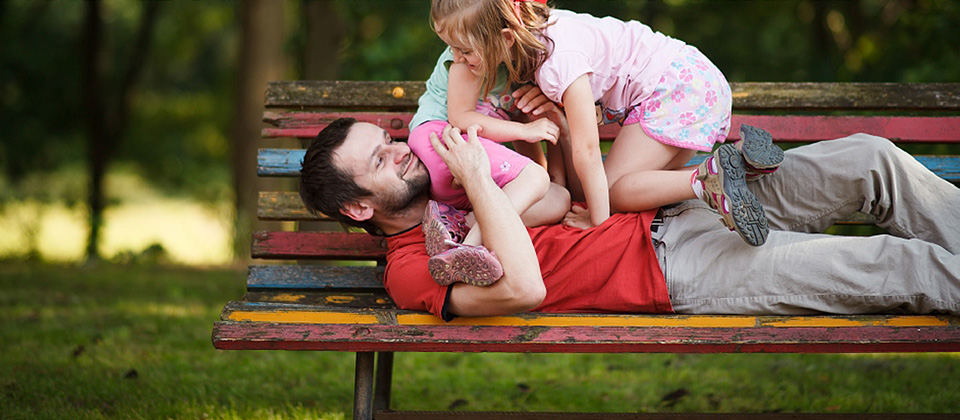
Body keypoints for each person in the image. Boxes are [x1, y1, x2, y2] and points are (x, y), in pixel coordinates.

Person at [299, 116, 960, 320]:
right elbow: (523, 288)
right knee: (894, 263)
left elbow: (554, 202)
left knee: (870, 158)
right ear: (359, 208)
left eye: (387, 138)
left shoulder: (452, 194)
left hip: (681, 202)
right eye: (380, 161)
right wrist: (478, 181)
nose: (398, 150)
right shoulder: (415, 270)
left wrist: (535, 141)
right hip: (677, 268)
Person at [429, 0, 783, 247]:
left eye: (464, 50)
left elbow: (586, 150)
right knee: (641, 182)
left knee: (615, 191)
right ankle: (739, 163)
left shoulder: (557, 63)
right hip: (692, 79)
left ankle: (709, 178)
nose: (456, 60)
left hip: (674, 91)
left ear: (506, 38)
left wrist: (597, 221)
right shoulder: (544, 29)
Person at [406, 48, 571, 286]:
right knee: (534, 178)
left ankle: (458, 224)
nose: (456, 54)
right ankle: (466, 249)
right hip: (444, 141)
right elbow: (461, 119)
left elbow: (530, 157)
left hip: (464, 177)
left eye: (463, 49)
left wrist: (544, 140)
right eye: (452, 45)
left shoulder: (515, 70)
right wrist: (527, 133)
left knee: (558, 199)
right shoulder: (465, 59)